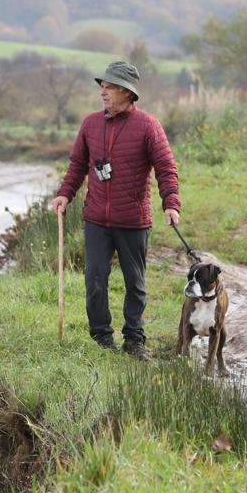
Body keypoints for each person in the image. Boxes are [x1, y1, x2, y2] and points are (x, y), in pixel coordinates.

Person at [51, 60, 181, 359]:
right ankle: (101, 337)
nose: (103, 92)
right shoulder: (90, 124)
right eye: (102, 87)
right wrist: (64, 195)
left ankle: (134, 340)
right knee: (95, 278)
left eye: (109, 87)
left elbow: (166, 167)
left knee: (135, 284)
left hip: (133, 220)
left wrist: (171, 204)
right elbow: (77, 166)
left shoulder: (148, 126)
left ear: (126, 92)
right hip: (96, 218)